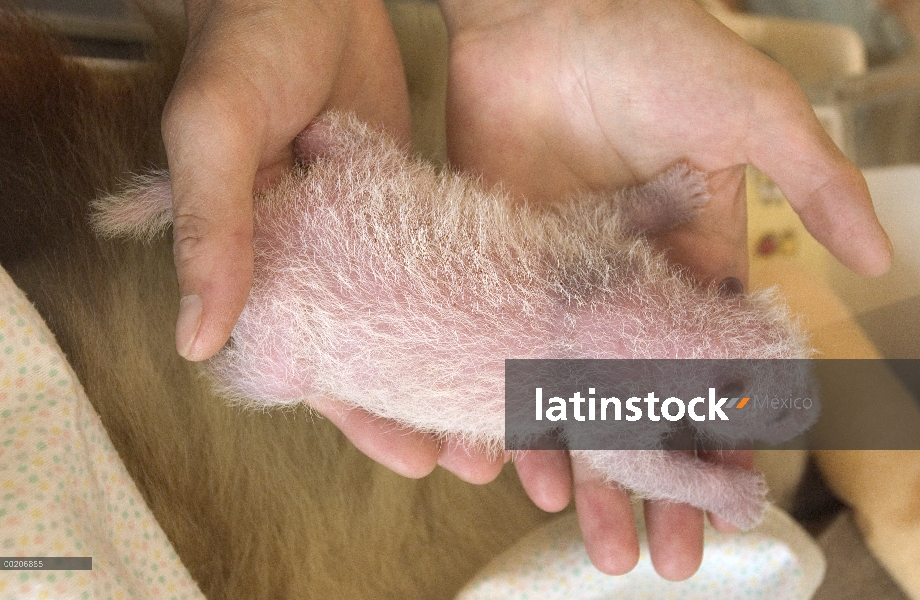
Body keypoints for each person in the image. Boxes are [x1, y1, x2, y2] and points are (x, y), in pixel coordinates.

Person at [160, 0, 891, 580]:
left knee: (349, 203)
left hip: (341, 246)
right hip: (320, 293)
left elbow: (604, 235)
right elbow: (631, 453)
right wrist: (713, 488)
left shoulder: (612, 302)